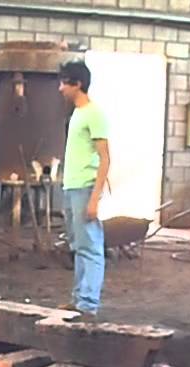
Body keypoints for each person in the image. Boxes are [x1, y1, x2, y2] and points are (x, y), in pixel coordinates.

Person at [57, 60, 111, 316]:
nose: (60, 88)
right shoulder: (77, 113)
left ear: (77, 84)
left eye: (64, 82)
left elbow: (105, 158)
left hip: (84, 188)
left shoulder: (94, 113)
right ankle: (79, 299)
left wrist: (94, 199)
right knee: (78, 245)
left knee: (90, 246)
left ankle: (88, 304)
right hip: (72, 187)